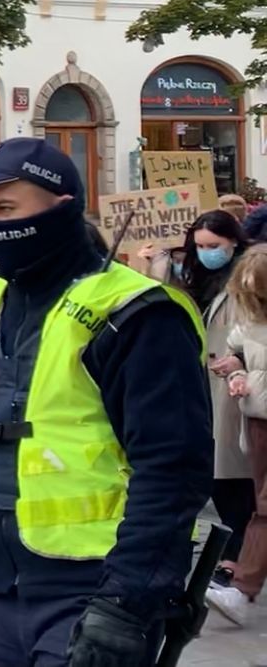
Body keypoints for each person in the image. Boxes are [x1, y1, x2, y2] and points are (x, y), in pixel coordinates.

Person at [0, 138, 210, 667]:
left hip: (95, 586)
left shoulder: (136, 312)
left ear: (61, 210)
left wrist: (127, 602)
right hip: (0, 582)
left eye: (7, 209)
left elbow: (172, 470)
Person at [175, 212, 253, 572]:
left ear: (233, 241)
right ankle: (235, 554)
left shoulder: (249, 275)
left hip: (236, 386)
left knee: (233, 479)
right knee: (220, 476)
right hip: (207, 384)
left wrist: (239, 359)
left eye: (213, 246)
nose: (206, 253)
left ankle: (235, 557)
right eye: (201, 246)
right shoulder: (198, 276)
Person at [210, 245, 267, 624]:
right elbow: (237, 353)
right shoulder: (248, 318)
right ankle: (243, 588)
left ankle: (243, 588)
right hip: (258, 420)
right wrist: (233, 370)